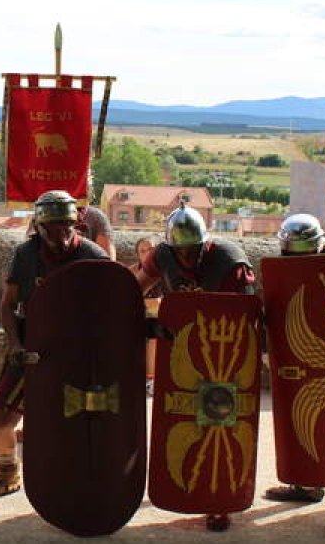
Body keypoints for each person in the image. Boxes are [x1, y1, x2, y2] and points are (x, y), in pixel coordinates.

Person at [0, 191, 108, 501]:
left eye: (66, 226)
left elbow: (107, 312)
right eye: (53, 227)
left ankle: (79, 481)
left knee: (80, 427)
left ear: (76, 225)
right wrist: (16, 344)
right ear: (39, 227)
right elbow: (7, 305)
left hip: (76, 357)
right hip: (30, 349)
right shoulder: (26, 255)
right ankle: (8, 472)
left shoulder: (94, 259)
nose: (60, 234)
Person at [134, 203, 256, 532]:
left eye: (192, 251)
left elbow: (245, 320)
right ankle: (187, 484)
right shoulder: (163, 255)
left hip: (224, 356)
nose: (186, 258)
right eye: (181, 251)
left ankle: (219, 501)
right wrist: (145, 321)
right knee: (184, 420)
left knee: (221, 423)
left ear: (203, 244)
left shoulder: (230, 262)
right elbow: (136, 287)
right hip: (185, 350)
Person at [260, 214, 325, 542]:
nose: (298, 263)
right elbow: (277, 309)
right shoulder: (283, 271)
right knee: (301, 425)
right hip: (300, 361)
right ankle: (306, 484)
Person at [128, 236, 162, 396]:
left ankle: (151, 378)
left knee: (155, 337)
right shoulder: (132, 272)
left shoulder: (164, 271)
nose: (147, 253)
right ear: (138, 255)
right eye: (143, 251)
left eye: (151, 250)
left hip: (160, 316)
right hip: (138, 316)